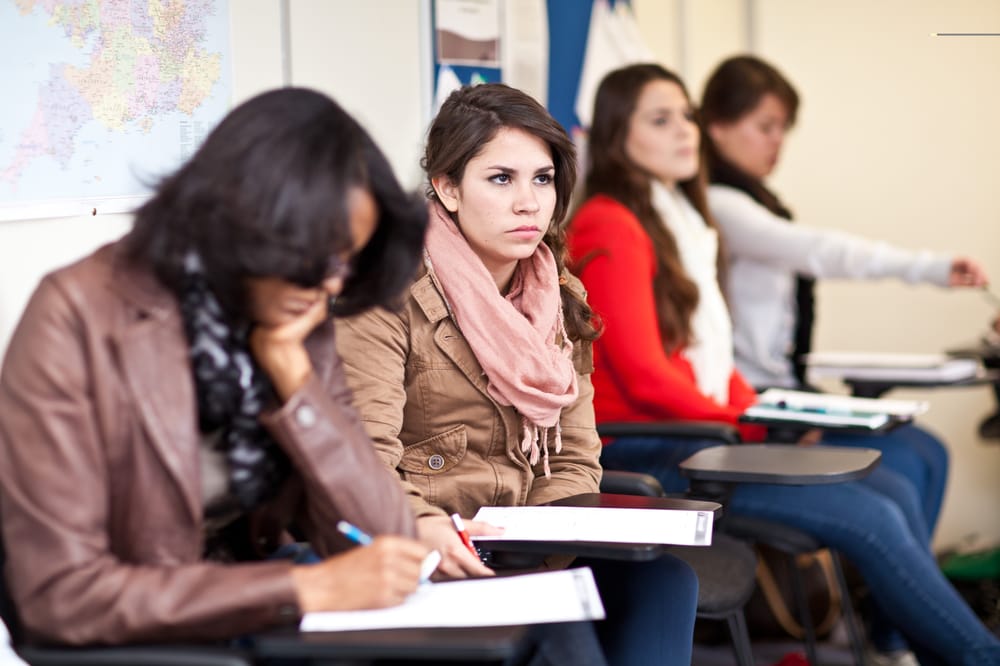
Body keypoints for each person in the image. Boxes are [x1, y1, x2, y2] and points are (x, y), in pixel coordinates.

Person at [567, 62, 1000, 666]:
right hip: (649, 449)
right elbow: (645, 377)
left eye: (686, 116)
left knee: (894, 487)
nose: (685, 130)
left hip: (693, 436)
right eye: (661, 120)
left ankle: (909, 646)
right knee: (872, 513)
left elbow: (702, 359)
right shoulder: (610, 222)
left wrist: (760, 415)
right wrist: (748, 426)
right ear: (617, 135)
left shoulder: (675, 220)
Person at [0, 87, 434, 646]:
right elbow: (62, 596)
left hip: (258, 617)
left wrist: (295, 382)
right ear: (249, 225)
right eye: (323, 259)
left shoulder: (291, 315)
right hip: (149, 641)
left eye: (348, 265)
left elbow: (385, 542)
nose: (331, 286)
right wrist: (302, 588)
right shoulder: (77, 313)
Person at [335, 82, 699, 666]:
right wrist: (436, 532)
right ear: (447, 188)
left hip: (524, 546)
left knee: (665, 581)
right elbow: (363, 463)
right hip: (427, 547)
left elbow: (576, 456)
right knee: (558, 621)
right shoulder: (386, 292)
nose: (529, 203)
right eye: (501, 179)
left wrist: (540, 551)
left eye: (543, 179)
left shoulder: (557, 293)